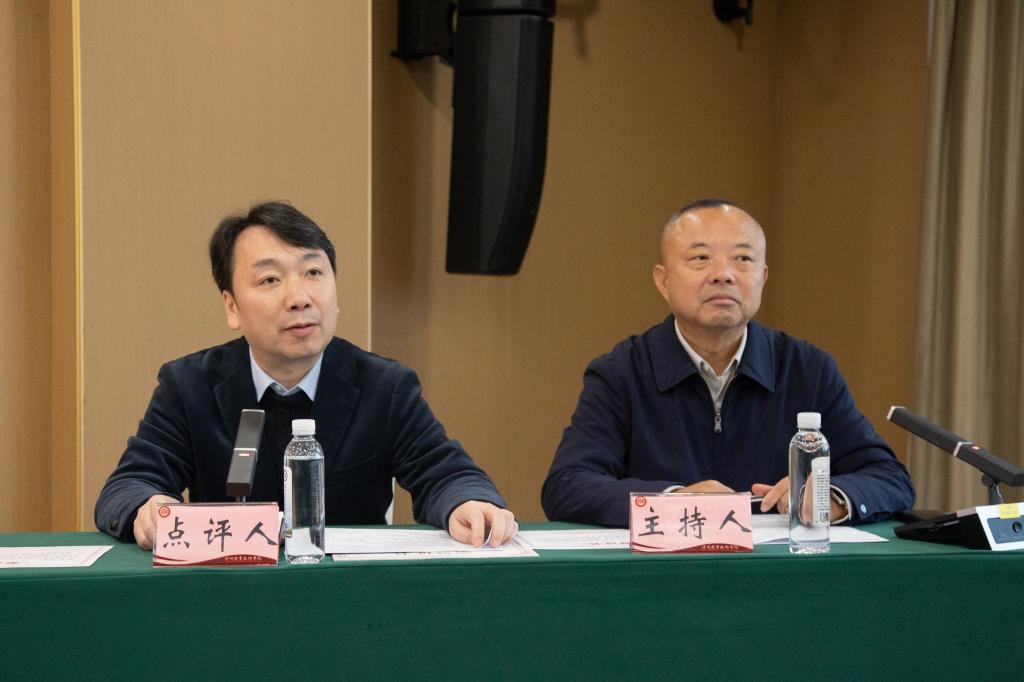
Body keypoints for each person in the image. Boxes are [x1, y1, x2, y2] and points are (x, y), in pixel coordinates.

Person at [96, 201, 517, 549]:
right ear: (232, 307)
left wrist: (467, 503)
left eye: (314, 273)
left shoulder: (384, 386)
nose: (299, 298)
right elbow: (129, 485)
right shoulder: (189, 386)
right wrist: (148, 507)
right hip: (229, 595)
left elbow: (448, 475)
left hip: (348, 599)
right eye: (269, 279)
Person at [541, 199, 915, 527]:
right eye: (700, 258)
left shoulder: (807, 369)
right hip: (662, 573)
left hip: (780, 573)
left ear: (762, 278)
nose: (723, 274)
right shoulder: (621, 372)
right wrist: (672, 501)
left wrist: (830, 496)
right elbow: (568, 485)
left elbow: (889, 477)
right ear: (664, 281)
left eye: (743, 259)